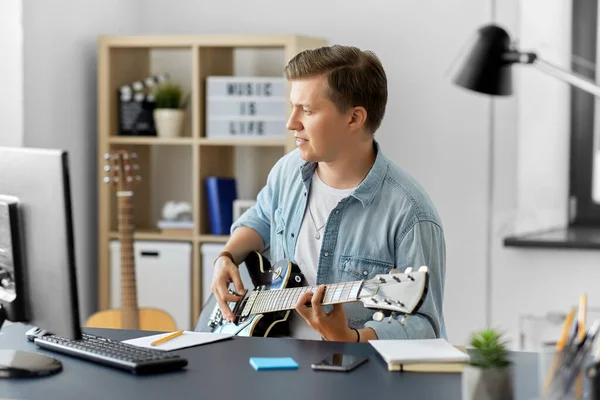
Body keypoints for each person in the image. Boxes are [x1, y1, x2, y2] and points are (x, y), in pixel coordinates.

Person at [211, 44, 446, 342]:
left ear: (354, 118)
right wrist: (226, 257)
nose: (291, 123)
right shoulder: (288, 170)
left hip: (355, 376)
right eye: (292, 107)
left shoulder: (411, 214)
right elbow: (260, 219)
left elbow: (425, 326)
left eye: (307, 110)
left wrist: (351, 338)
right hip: (274, 362)